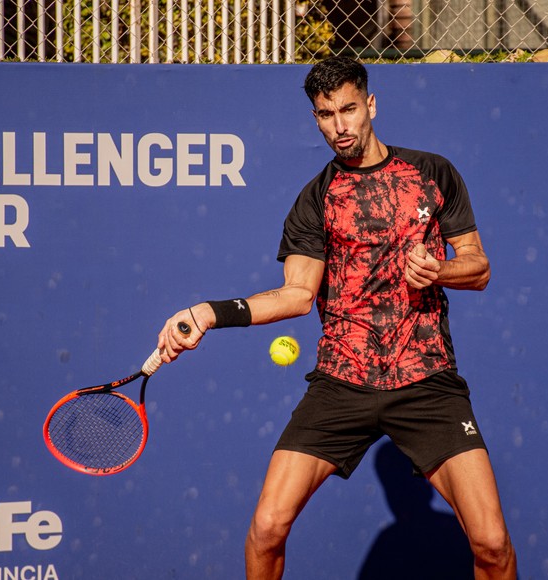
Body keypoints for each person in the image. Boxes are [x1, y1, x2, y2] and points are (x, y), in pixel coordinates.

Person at [157, 56, 517, 580]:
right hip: (341, 384)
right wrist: (209, 313)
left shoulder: (432, 173)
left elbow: (479, 268)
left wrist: (439, 269)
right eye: (326, 115)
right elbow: (297, 295)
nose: (339, 126)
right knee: (266, 529)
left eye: (348, 109)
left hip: (427, 383)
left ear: (370, 105)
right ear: (316, 118)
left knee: (491, 543)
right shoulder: (316, 199)